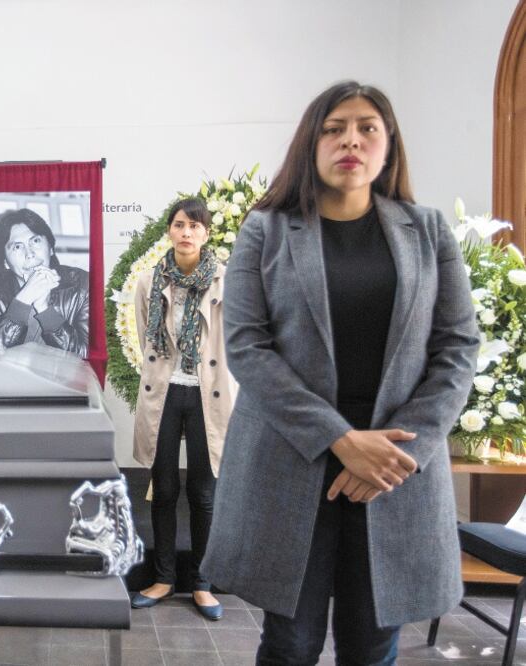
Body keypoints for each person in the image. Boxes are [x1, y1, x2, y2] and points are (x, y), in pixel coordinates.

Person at [201, 81, 479, 665]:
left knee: (373, 645)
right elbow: (248, 346)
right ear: (312, 142)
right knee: (290, 644)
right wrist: (340, 440)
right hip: (293, 462)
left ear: (388, 145)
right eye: (334, 128)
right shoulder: (267, 229)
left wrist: (402, 450)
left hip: (394, 469)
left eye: (367, 127)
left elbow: (457, 348)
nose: (350, 139)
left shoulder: (427, 231)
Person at [128, 198, 235, 621]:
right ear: (169, 231)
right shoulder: (149, 282)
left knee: (204, 493)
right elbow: (145, 337)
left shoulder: (227, 282)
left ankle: (203, 583)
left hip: (211, 394)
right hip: (166, 391)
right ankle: (163, 578)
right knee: (164, 488)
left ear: (206, 234)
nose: (186, 232)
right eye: (179, 224)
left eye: (195, 225)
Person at [0, 208, 89, 356]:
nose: (29, 254)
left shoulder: (81, 285)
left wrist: (44, 309)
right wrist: (23, 300)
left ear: (51, 248)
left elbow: (86, 356)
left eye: (35, 241)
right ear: (5, 262)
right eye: (17, 247)